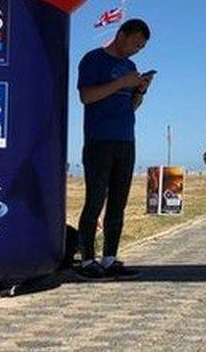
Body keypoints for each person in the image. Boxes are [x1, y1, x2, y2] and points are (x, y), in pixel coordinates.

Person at [75, 19, 154, 280]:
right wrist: (121, 83)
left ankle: (109, 258)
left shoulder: (130, 67)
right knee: (95, 200)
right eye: (135, 43)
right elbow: (87, 97)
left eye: (141, 48)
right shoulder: (93, 59)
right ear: (121, 35)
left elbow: (130, 107)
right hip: (99, 141)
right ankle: (87, 261)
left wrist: (140, 91)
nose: (136, 51)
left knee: (118, 203)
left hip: (126, 141)